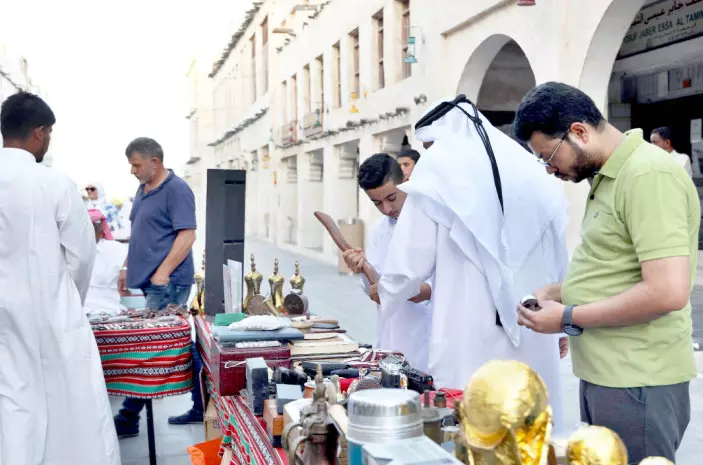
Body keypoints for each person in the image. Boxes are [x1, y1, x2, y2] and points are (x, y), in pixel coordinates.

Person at [513, 81, 699, 463]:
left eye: (549, 156)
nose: (550, 170)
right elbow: (619, 269)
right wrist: (561, 291)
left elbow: (667, 292)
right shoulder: (612, 176)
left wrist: (566, 318)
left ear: (578, 132)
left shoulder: (647, 175)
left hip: (637, 378)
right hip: (609, 373)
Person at [376, 96, 569, 435]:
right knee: (531, 422)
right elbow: (558, 251)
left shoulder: (437, 171)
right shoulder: (528, 168)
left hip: (466, 330)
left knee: (470, 424)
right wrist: (562, 316)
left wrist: (386, 292)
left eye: (429, 144)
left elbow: (408, 265)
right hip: (533, 320)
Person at [0, 92, 120, 464]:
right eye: (49, 133)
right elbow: (82, 255)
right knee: (71, 399)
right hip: (51, 312)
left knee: (13, 401)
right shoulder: (54, 183)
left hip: (4, 315)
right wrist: (66, 298)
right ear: (39, 132)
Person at [113, 137, 202, 438]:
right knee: (169, 348)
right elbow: (140, 232)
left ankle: (128, 417)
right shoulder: (143, 189)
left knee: (153, 351)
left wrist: (162, 273)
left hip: (169, 284)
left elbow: (187, 235)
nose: (132, 170)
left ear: (155, 162)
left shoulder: (176, 189)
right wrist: (127, 267)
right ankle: (201, 403)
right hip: (153, 282)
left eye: (136, 164)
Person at [342, 153, 432, 371]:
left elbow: (436, 288)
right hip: (390, 338)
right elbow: (374, 289)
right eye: (377, 203)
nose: (386, 209)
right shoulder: (380, 230)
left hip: (426, 339)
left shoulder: (432, 221)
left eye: (391, 198)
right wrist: (361, 269)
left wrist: (396, 290)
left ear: (406, 183)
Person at [84, 209, 128, 316]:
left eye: (95, 225)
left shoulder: (117, 249)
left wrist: (125, 270)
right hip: (78, 314)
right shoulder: (70, 251)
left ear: (101, 229)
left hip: (110, 311)